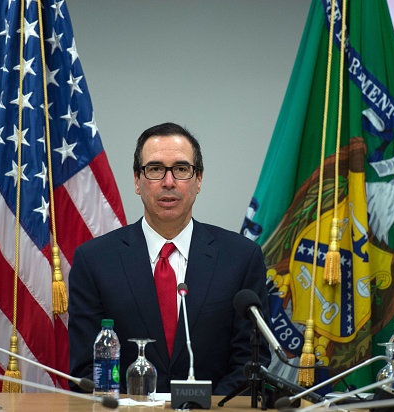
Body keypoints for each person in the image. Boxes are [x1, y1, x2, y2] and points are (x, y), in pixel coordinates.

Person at [68, 122, 270, 395]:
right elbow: (87, 370)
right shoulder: (94, 261)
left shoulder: (241, 258)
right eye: (154, 169)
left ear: (198, 180)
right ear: (137, 181)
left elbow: (250, 364)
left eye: (181, 169)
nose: (168, 182)